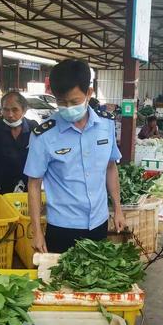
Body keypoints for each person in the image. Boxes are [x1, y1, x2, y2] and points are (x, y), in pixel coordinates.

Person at [24, 59, 124, 253]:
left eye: (74, 101)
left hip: (98, 222)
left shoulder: (106, 125)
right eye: (61, 102)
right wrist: (36, 231)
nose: (68, 108)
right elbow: (34, 184)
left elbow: (110, 167)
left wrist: (118, 209)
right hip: (62, 227)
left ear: (89, 93)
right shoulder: (44, 135)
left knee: (96, 280)